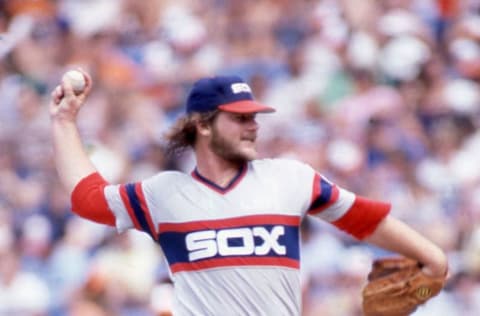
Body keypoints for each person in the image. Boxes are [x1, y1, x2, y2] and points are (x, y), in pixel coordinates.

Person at [49, 71, 448, 315]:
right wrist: (65, 121)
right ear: (203, 126)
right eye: (239, 118)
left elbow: (362, 217)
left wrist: (433, 258)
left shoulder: (289, 178)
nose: (253, 125)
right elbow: (88, 198)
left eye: (254, 117)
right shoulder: (164, 193)